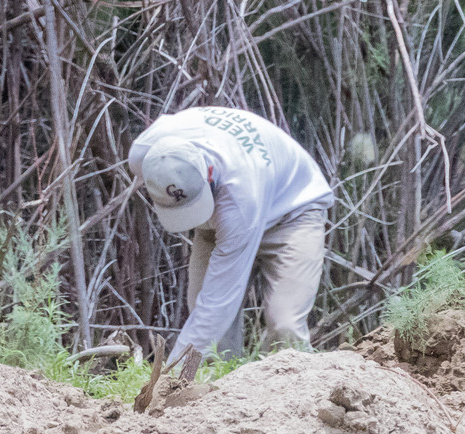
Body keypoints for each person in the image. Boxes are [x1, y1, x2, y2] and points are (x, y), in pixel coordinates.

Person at [127, 106, 334, 364]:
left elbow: (218, 303)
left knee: (285, 325)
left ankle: (295, 399)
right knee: (215, 337)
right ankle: (221, 397)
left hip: (293, 212)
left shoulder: (240, 194)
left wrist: (170, 379)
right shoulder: (143, 154)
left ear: (209, 174)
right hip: (228, 212)